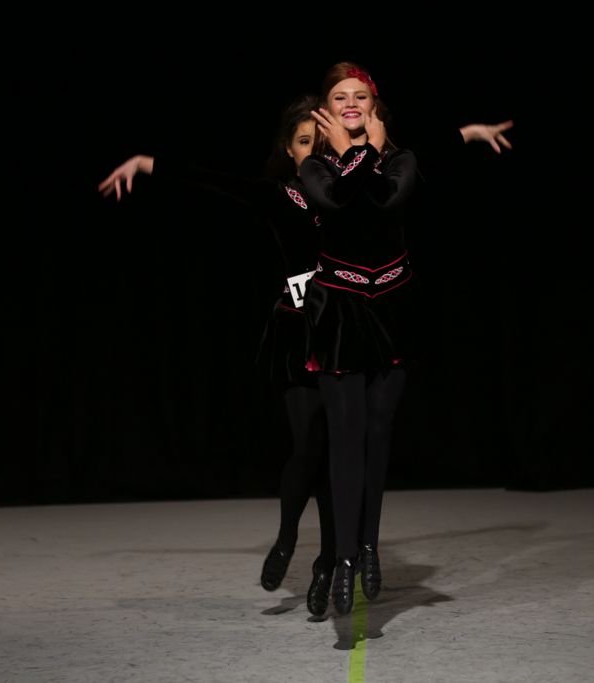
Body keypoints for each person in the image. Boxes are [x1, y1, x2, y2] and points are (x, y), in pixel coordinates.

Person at [98, 95, 338, 617]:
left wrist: (466, 135)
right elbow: (213, 180)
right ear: (289, 151)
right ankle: (288, 538)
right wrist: (145, 163)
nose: (314, 151)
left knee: (335, 456)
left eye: (322, 142)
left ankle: (327, 564)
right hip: (303, 332)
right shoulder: (280, 195)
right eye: (304, 142)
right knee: (308, 446)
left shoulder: (353, 193)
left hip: (349, 331)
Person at [298, 61, 419, 616]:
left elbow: (387, 200)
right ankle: (344, 558)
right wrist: (357, 150)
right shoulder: (315, 167)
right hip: (340, 314)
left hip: (391, 309)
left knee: (378, 436)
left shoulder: (401, 160)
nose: (350, 102)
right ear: (325, 111)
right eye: (340, 97)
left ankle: (368, 544)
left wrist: (368, 150)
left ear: (375, 106)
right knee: (345, 442)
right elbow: (337, 201)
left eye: (360, 96)